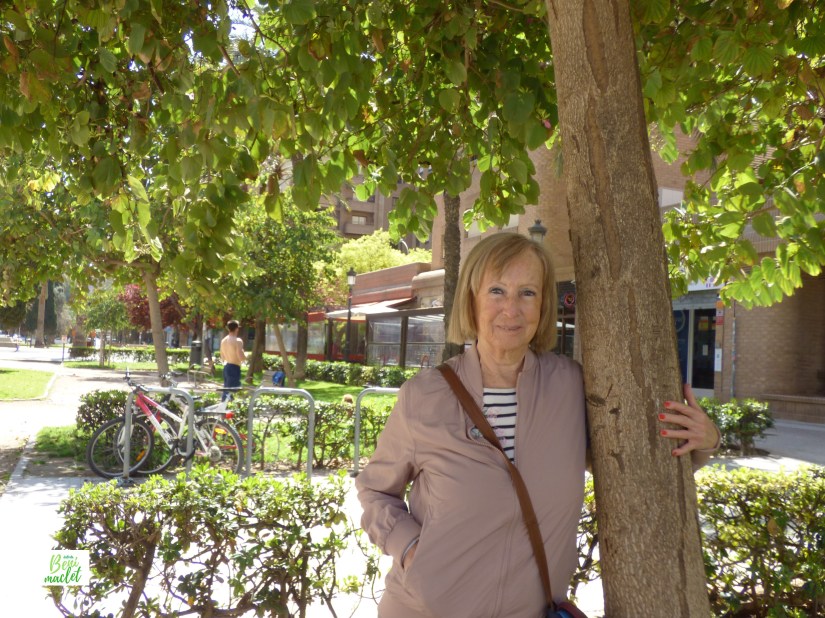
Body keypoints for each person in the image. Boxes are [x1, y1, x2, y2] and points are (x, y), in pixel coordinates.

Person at [355, 232, 720, 618]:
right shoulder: (424, 395)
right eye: (496, 290)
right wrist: (412, 550)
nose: (511, 308)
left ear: (543, 305)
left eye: (527, 292)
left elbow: (632, 462)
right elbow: (375, 490)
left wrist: (706, 440)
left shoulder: (572, 387)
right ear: (471, 298)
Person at [219, 320, 246, 401]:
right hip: (234, 367)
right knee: (232, 392)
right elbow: (240, 356)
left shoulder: (223, 340)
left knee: (226, 390)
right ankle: (229, 407)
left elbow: (222, 356)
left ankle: (224, 406)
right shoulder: (237, 341)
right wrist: (245, 356)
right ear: (237, 329)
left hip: (226, 367)